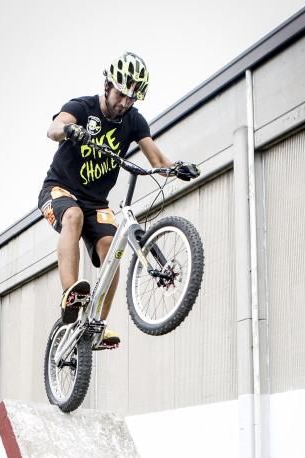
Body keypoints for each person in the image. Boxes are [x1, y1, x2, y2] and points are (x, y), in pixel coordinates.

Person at [38, 52, 199, 349]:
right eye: (121, 94)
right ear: (107, 85)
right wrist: (70, 130)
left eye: (131, 98)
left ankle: (96, 325)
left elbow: (156, 158)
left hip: (96, 203)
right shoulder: (81, 107)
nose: (124, 103)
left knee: (113, 251)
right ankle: (71, 296)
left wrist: (176, 168)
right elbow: (53, 129)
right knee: (72, 216)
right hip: (60, 190)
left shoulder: (134, 121)